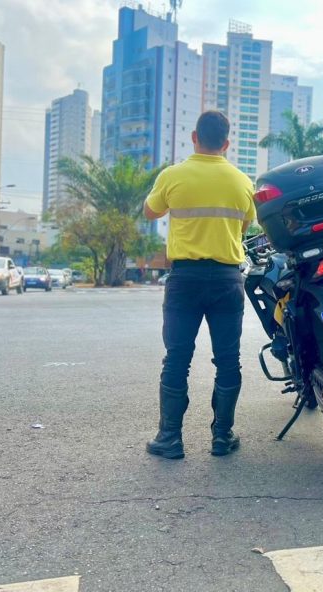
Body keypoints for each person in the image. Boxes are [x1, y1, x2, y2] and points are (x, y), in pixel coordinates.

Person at [143, 111, 256, 459]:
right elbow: (243, 229)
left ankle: (170, 439)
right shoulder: (242, 182)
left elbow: (150, 212)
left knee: (177, 358)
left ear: (194, 137)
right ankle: (222, 437)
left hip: (185, 280)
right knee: (228, 360)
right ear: (226, 143)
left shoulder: (173, 176)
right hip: (226, 280)